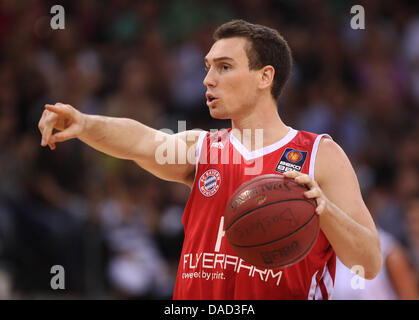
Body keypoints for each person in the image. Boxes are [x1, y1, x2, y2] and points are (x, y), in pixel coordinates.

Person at [38, 20, 382, 300]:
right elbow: (141, 140)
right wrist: (85, 123)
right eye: (208, 67)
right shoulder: (203, 148)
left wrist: (324, 209)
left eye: (224, 67)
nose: (208, 79)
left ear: (265, 76)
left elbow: (367, 264)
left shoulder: (319, 155)